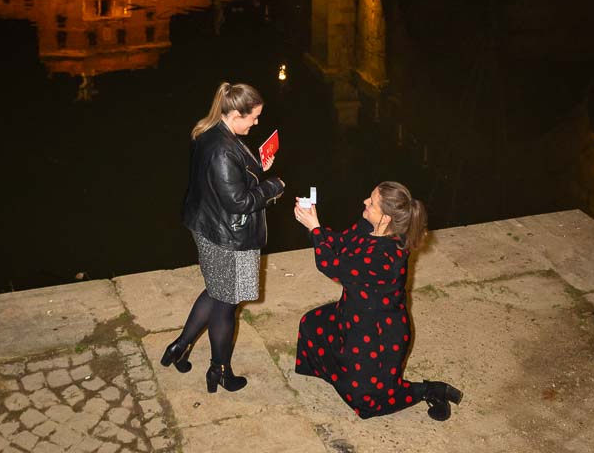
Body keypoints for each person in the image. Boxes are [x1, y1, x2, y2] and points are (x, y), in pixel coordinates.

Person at [294, 182, 462, 421]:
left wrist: (314, 229)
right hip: (351, 313)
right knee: (311, 324)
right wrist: (313, 224)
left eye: (371, 203)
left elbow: (332, 266)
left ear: (385, 218)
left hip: (378, 333)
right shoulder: (368, 226)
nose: (365, 202)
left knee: (366, 403)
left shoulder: (386, 256)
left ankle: (431, 390)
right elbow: (339, 243)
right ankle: (336, 376)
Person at [160, 82, 285, 393]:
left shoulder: (211, 131)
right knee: (226, 302)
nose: (256, 123)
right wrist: (273, 186)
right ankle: (220, 370)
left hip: (207, 223)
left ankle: (180, 347)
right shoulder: (221, 151)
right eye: (253, 117)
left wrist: (257, 166)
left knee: (216, 290)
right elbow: (239, 201)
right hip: (226, 234)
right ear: (235, 114)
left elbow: (228, 178)